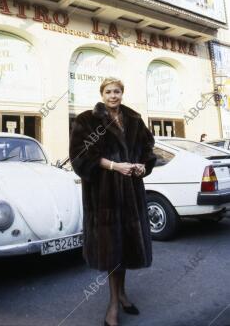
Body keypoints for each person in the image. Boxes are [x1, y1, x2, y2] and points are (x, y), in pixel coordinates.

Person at [69, 77, 157, 326]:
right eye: (108, 91)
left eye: (117, 91)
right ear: (102, 93)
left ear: (122, 92)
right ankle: (113, 306)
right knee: (112, 251)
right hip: (104, 195)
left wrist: (142, 165)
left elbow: (148, 148)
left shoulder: (134, 119)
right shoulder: (87, 120)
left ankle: (122, 294)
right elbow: (79, 155)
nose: (113, 96)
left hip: (131, 193)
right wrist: (114, 165)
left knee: (125, 248)